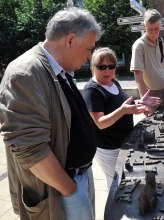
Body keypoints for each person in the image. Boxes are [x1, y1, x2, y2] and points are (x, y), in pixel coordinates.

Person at [0, 7, 102, 219]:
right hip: (61, 191)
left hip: (77, 178)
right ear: (71, 40)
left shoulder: (59, 68)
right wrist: (72, 192)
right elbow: (31, 150)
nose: (89, 57)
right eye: (88, 49)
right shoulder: (25, 73)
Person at [82, 47, 161, 196]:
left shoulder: (113, 83)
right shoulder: (92, 90)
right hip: (108, 148)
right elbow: (100, 122)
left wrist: (138, 102)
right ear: (93, 67)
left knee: (122, 181)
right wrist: (124, 110)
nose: (107, 71)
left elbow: (121, 105)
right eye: (102, 67)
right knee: (115, 184)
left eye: (111, 66)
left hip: (123, 143)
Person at [130, 9, 164, 113]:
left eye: (156, 29)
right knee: (154, 124)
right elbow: (138, 75)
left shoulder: (160, 41)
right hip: (150, 95)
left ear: (160, 25)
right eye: (150, 29)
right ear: (144, 26)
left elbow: (163, 60)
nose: (154, 33)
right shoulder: (139, 46)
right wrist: (145, 100)